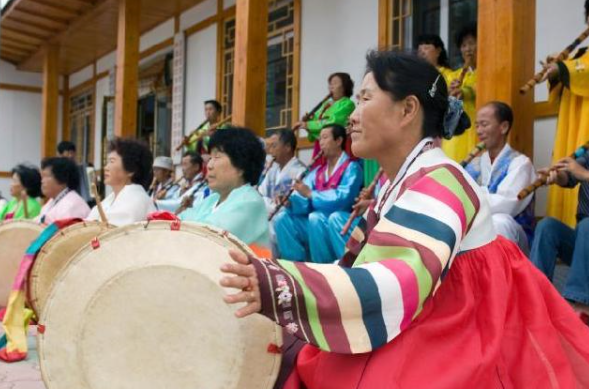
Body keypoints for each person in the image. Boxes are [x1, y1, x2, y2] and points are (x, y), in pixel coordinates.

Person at [220, 51, 589, 389]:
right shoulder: (400, 178)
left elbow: (395, 280)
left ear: (407, 109)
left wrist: (283, 285)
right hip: (422, 313)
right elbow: (357, 264)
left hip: (463, 333)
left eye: (365, 98)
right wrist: (281, 281)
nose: (351, 115)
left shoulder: (443, 181)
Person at [273, 124, 363, 263]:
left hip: (336, 222)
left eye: (325, 137)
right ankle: (293, 265)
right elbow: (303, 198)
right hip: (315, 224)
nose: (321, 142)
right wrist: (291, 202)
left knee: (316, 217)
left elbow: (344, 198)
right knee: (282, 218)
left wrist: (311, 194)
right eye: (320, 138)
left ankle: (322, 267)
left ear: (338, 141)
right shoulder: (318, 172)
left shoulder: (352, 167)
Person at [180, 127, 270, 257]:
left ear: (240, 166)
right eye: (210, 157)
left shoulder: (250, 201)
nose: (209, 165)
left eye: (217, 157)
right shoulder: (212, 199)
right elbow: (182, 219)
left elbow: (208, 237)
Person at [464, 102, 536, 253]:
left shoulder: (520, 163)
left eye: (484, 124)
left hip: (514, 234)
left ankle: (500, 275)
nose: (479, 131)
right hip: (479, 228)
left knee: (500, 221)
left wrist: (469, 198)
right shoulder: (474, 164)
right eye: (477, 126)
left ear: (503, 127)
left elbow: (507, 205)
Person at [542, 1, 589, 227]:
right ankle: (568, 234)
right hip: (571, 121)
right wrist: (554, 74)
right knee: (567, 169)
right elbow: (558, 95)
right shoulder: (577, 56)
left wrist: (563, 69)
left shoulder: (574, 64)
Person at [530, 148, 589, 317]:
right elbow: (570, 177)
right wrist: (557, 176)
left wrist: (585, 174)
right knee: (547, 227)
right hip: (583, 245)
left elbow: (581, 173)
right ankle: (535, 296)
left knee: (586, 225)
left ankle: (579, 303)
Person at [258, 129, 306, 257]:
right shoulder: (272, 170)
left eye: (275, 146)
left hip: (287, 218)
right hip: (270, 214)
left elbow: (298, 202)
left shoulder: (300, 170)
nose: (271, 150)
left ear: (288, 147)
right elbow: (261, 194)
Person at [87, 138, 155, 226]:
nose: (106, 168)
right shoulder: (112, 198)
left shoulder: (135, 199)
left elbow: (109, 233)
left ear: (131, 170)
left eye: (112, 161)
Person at [442, 23, 478, 163]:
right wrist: (449, 93)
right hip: (457, 133)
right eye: (463, 45)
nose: (468, 49)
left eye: (471, 43)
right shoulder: (453, 76)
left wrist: (465, 91)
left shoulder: (488, 72)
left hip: (477, 129)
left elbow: (478, 89)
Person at [36, 157, 91, 224]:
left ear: (61, 177)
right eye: (42, 177)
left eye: (46, 176)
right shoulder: (51, 202)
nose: (42, 181)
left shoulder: (72, 204)